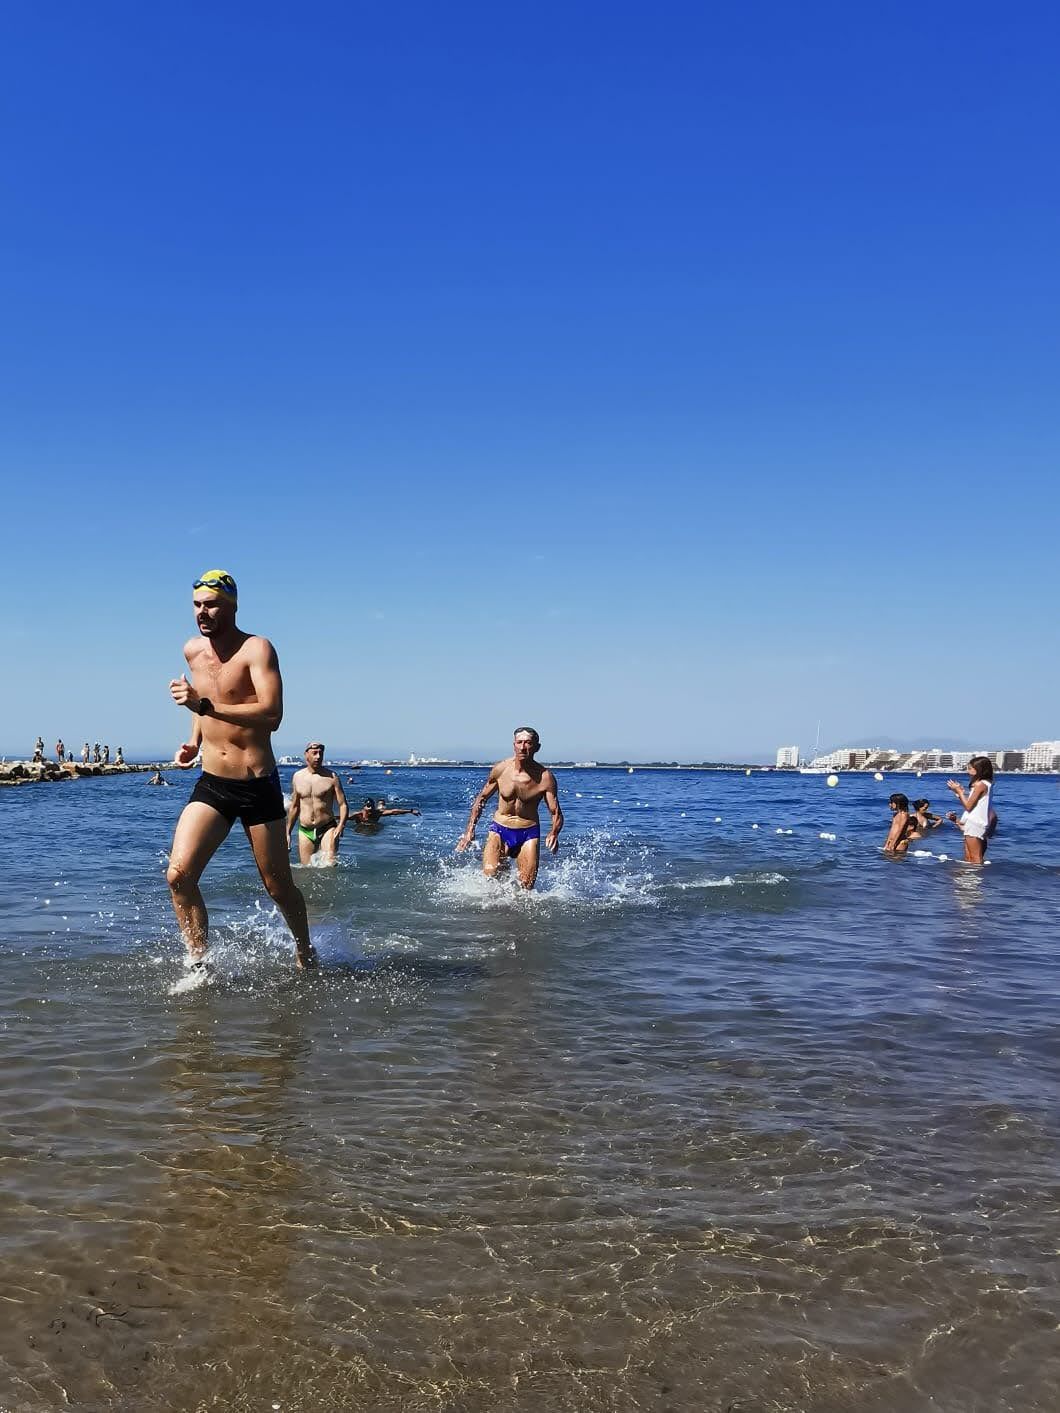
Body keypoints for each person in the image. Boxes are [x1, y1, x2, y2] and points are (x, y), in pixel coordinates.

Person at [166, 569, 316, 970]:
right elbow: (203, 701)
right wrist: (194, 741)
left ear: (231, 606)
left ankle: (305, 952)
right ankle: (198, 964)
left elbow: (272, 714)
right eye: (197, 605)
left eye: (211, 604)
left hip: (256, 785)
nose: (203, 612)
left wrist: (205, 708)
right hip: (213, 783)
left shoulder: (258, 649)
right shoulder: (192, 651)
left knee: (278, 887)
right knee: (178, 876)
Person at [456, 727, 563, 889]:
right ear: (514, 745)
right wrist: (469, 831)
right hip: (499, 829)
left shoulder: (545, 778)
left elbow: (555, 811)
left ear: (537, 747)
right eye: (519, 742)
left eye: (528, 743)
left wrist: (554, 832)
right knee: (490, 879)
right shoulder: (501, 769)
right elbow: (481, 799)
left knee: (526, 888)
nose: (523, 747)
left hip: (528, 833)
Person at [286, 742, 349, 865]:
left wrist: (341, 825)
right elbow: (295, 807)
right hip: (305, 830)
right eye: (314, 753)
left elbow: (343, 805)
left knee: (329, 865)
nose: (318, 757)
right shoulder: (297, 777)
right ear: (306, 755)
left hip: (327, 827)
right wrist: (288, 832)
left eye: (321, 753)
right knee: (306, 869)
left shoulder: (332, 777)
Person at [946, 756, 997, 864]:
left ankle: (975, 879)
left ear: (979, 769)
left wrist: (959, 791)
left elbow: (968, 807)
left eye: (970, 768)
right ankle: (969, 879)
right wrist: (959, 793)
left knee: (975, 858)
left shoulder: (980, 785)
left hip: (975, 823)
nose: (967, 771)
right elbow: (974, 805)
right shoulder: (986, 784)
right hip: (978, 822)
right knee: (970, 857)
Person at [351, 797, 421, 831]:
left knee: (382, 809)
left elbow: (394, 812)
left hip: (374, 821)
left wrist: (410, 811)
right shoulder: (358, 815)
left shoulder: (377, 813)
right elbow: (343, 817)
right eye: (368, 806)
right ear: (364, 807)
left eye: (372, 806)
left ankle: (381, 803)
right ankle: (381, 803)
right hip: (364, 826)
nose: (370, 809)